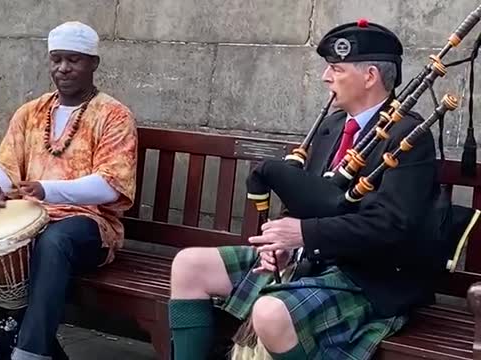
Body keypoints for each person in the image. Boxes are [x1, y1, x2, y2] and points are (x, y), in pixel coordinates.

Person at [168, 19, 440, 360]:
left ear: (369, 76)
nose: (326, 78)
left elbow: (392, 224)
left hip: (368, 278)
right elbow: (307, 201)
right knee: (189, 265)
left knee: (270, 312)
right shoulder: (333, 127)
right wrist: (281, 244)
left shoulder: (409, 137)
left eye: (336, 69)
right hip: (310, 260)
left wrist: (303, 235)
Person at [0, 21, 138, 360]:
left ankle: (30, 351)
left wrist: (47, 190)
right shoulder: (31, 112)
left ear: (94, 63)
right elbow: (4, 162)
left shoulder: (114, 115)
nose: (63, 68)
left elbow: (109, 185)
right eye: (56, 59)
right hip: (27, 220)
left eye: (74, 60)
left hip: (88, 225)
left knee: (54, 242)